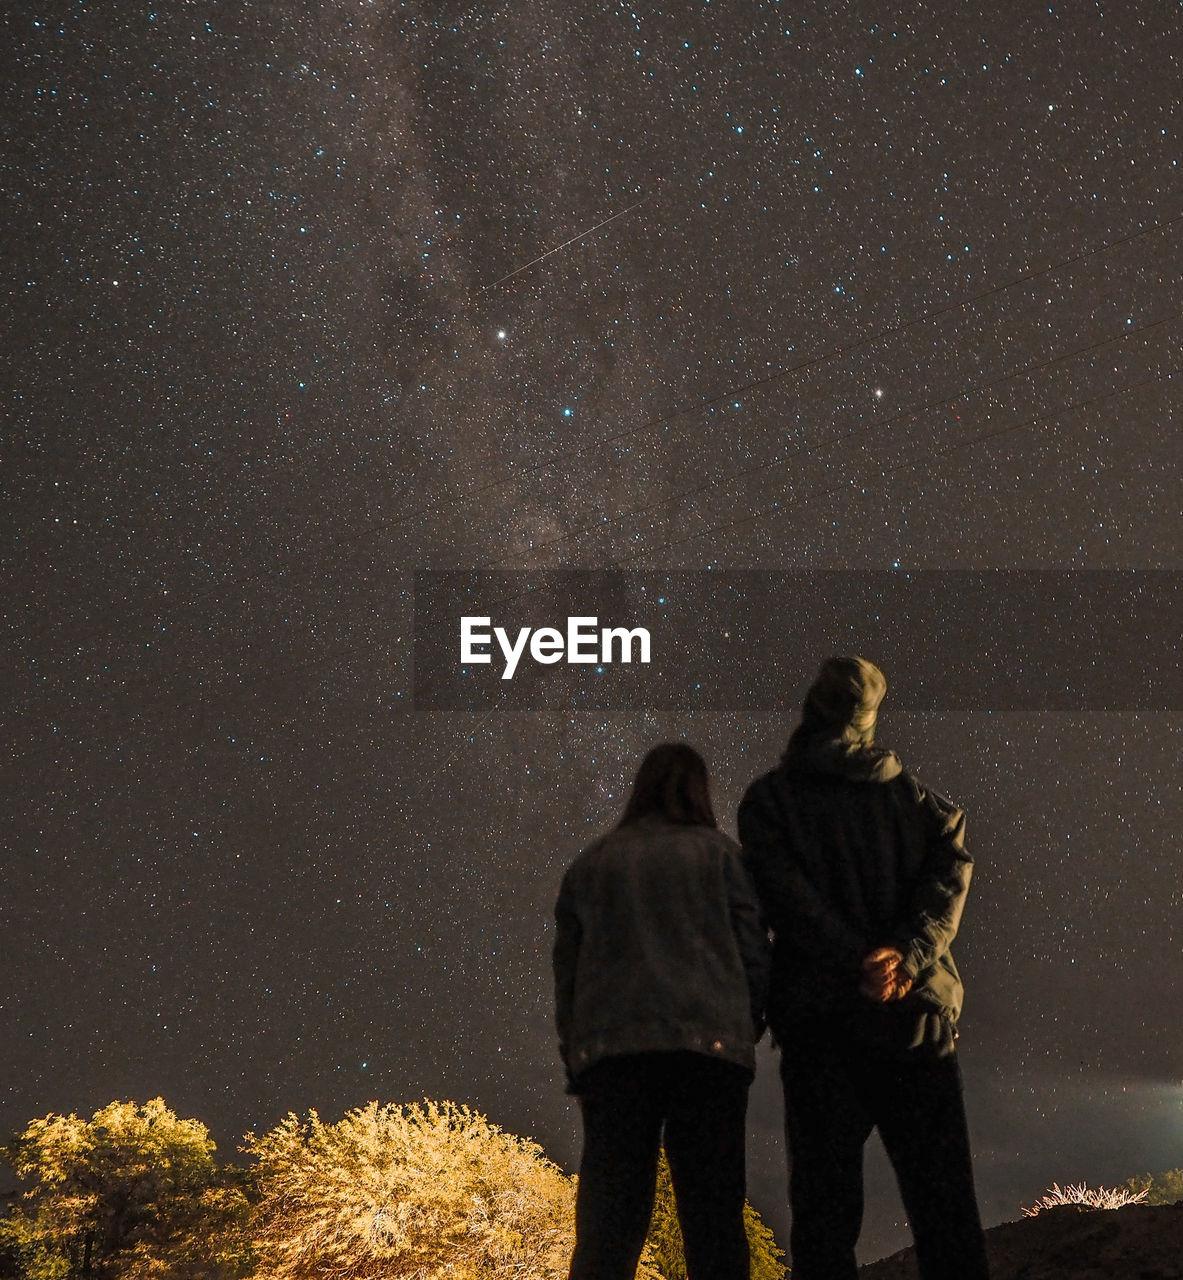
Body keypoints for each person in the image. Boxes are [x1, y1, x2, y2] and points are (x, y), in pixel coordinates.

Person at [737, 656, 990, 1280]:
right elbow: (947, 884)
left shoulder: (769, 803)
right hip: (915, 1019)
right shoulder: (925, 808)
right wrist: (905, 956)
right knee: (947, 1216)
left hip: (820, 1026)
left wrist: (856, 959)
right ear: (869, 717)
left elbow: (788, 900)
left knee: (823, 1223)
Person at [553, 742, 770, 1280]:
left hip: (614, 1056)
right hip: (711, 1053)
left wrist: (576, 1051)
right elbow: (755, 954)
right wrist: (748, 1025)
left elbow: (569, 973)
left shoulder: (591, 864)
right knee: (715, 1220)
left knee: (608, 1224)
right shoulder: (725, 857)